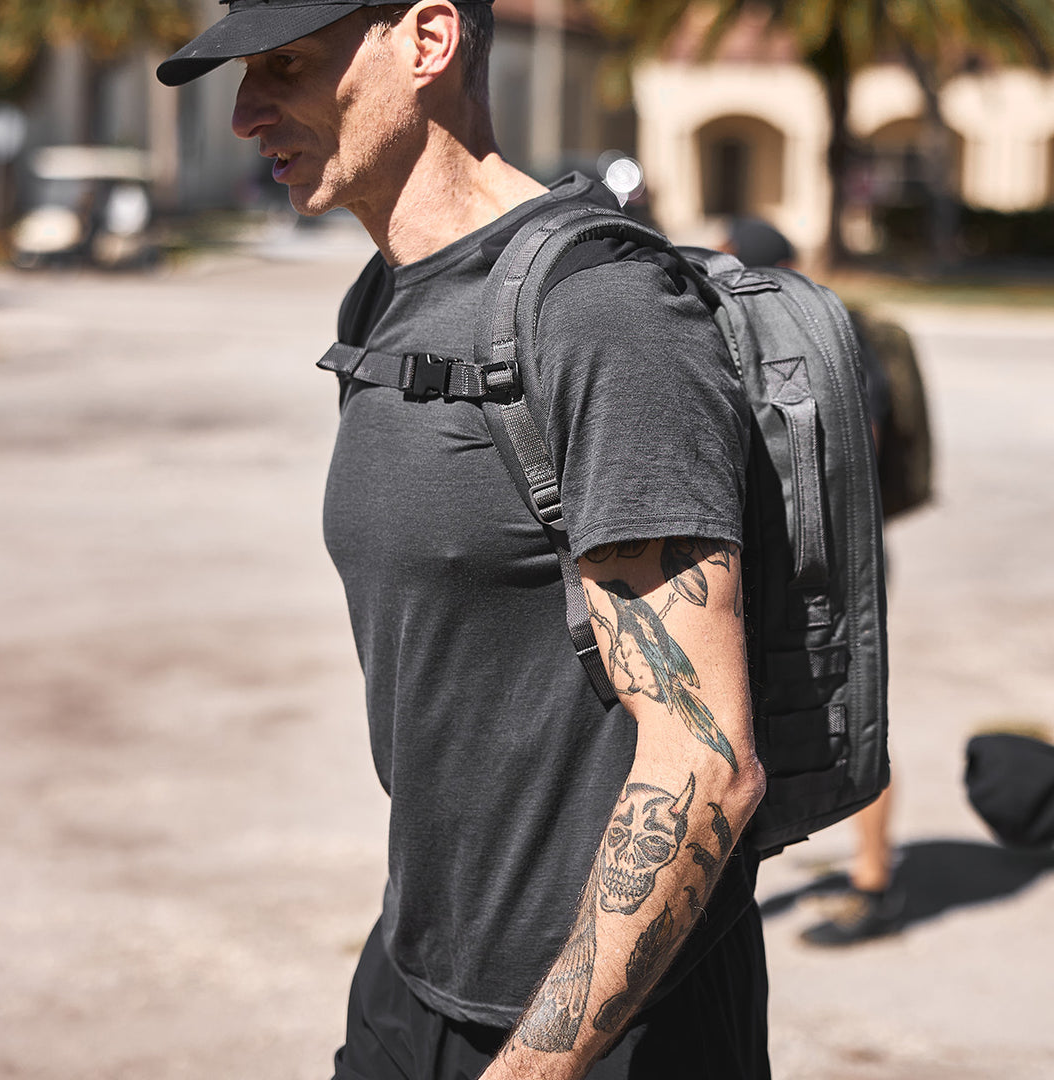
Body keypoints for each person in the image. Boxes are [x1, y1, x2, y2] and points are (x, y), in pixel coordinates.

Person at [157, 4, 769, 1078]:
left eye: (287, 67)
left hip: (612, 1018)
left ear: (429, 43)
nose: (248, 114)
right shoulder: (389, 296)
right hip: (417, 967)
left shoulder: (604, 312)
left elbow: (704, 765)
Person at [723, 216, 923, 947]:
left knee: (852, 710)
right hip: (808, 551)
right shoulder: (800, 321)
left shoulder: (824, 331)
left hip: (837, 553)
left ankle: (875, 881)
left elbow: (853, 442)